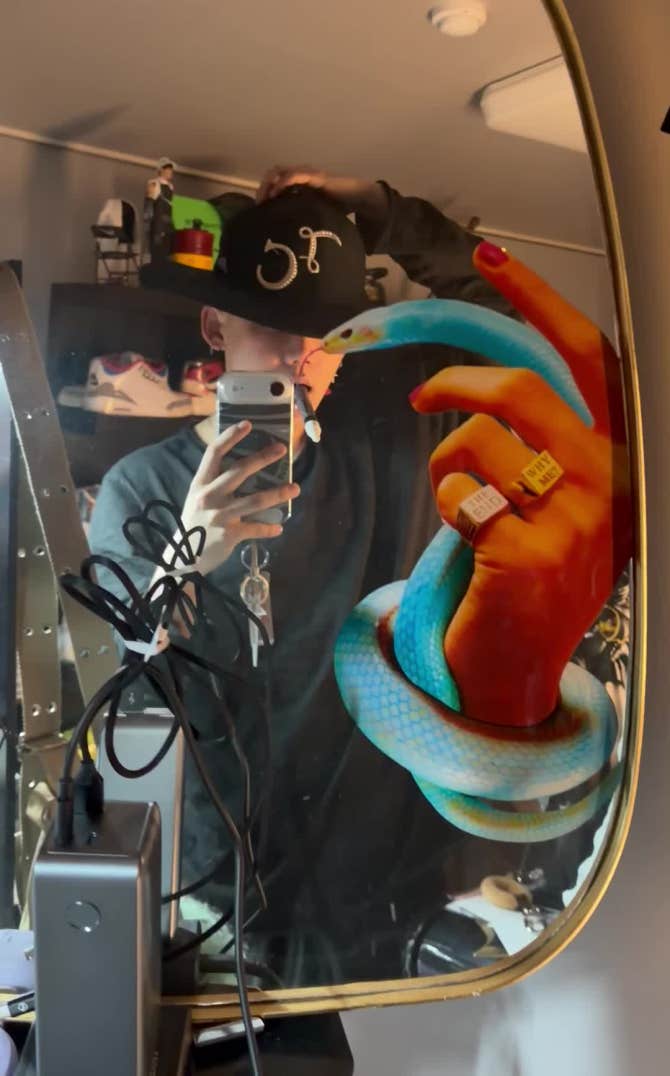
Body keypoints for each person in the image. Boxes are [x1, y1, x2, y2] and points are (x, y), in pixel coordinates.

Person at [88, 167, 628, 985]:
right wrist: (190, 552)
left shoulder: (398, 435)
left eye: (324, 336)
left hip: (389, 887)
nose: (298, 357)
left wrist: (386, 215)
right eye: (269, 327)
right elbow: (128, 690)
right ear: (213, 325)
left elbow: (535, 347)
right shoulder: (143, 490)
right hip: (222, 891)